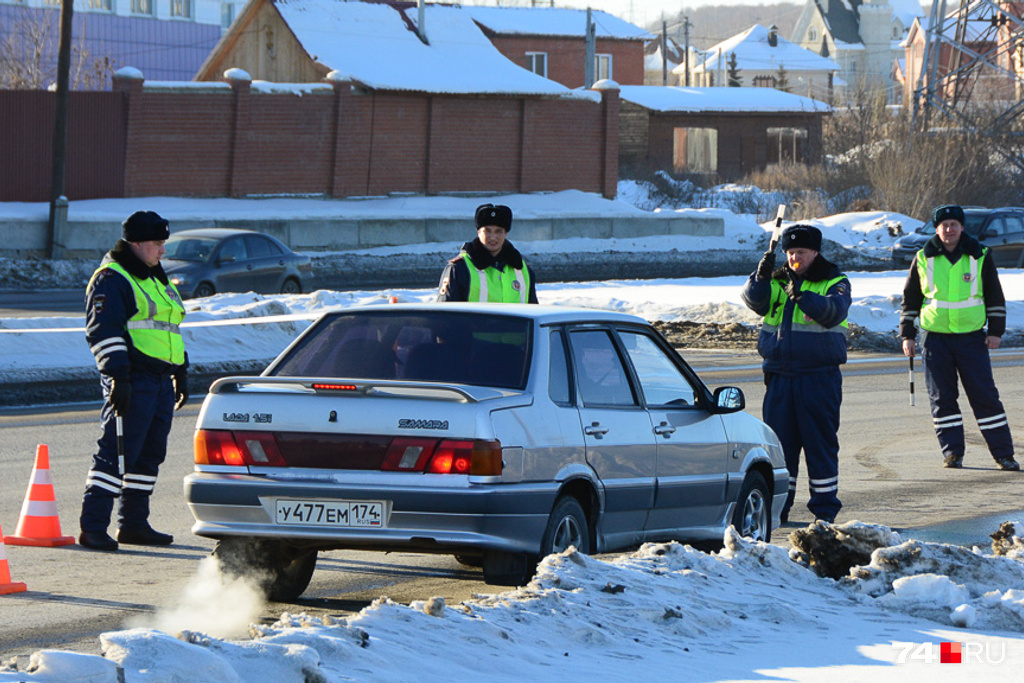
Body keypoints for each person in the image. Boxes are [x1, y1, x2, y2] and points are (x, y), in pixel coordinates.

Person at [79, 210, 190, 551]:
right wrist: (118, 378)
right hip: (133, 378)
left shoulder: (154, 276)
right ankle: (94, 526)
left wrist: (182, 371)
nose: (163, 251)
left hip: (159, 380)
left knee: (149, 454)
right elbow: (103, 332)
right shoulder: (113, 278)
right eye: (158, 244)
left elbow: (170, 327)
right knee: (117, 452)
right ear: (137, 243)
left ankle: (134, 524)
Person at [741, 224, 851, 524]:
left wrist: (803, 295)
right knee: (780, 448)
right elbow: (755, 302)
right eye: (789, 253)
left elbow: (833, 312)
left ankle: (824, 512)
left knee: (819, 445)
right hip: (779, 377)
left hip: (818, 378)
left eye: (800, 252)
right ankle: (780, 509)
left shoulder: (834, 281)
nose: (793, 258)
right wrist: (759, 277)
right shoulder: (778, 280)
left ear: (815, 252)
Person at [900, 204, 1018, 471]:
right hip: (934, 339)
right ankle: (953, 452)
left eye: (954, 224)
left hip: (971, 338)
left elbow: (994, 296)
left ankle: (1004, 455)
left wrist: (996, 331)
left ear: (962, 227)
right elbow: (910, 300)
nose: (949, 230)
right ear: (937, 229)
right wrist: (907, 334)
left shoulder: (980, 255)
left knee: (985, 396)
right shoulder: (923, 257)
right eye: (944, 225)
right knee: (942, 397)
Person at [437, 203, 538, 304]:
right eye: (487, 231)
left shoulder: (523, 270)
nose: (493, 237)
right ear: (479, 232)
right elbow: (445, 314)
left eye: (498, 231)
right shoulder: (459, 269)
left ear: (506, 233)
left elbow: (534, 313)